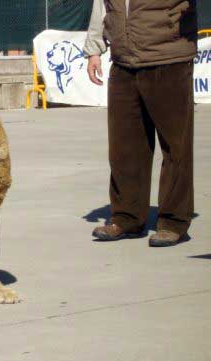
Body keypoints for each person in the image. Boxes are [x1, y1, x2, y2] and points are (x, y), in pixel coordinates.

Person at [83, 0, 197, 247]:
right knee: (125, 149)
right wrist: (94, 50)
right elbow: (102, 6)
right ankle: (126, 218)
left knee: (175, 148)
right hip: (124, 62)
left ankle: (173, 222)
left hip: (169, 58)